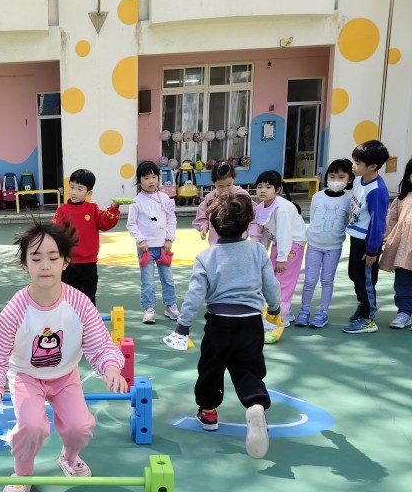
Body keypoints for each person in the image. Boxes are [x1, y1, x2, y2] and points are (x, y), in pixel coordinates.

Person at [0, 222, 127, 492]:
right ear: (25, 265)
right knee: (32, 425)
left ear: (65, 261)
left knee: (79, 427)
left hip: (65, 374)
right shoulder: (17, 308)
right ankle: (22, 473)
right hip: (26, 375)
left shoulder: (79, 303)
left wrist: (111, 366)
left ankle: (69, 457)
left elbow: (100, 343)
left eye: (53, 257)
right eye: (36, 258)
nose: (45, 265)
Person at [163, 192, 281, 459]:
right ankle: (255, 404)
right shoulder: (257, 251)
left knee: (211, 368)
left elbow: (194, 295)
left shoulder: (206, 257)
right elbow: (271, 285)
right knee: (248, 369)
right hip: (251, 322)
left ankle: (208, 412)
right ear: (248, 223)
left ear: (214, 225)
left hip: (219, 323)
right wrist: (274, 309)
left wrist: (183, 326)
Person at [293, 159, 353, 328]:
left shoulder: (349, 200)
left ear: (349, 179)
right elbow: (313, 218)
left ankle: (322, 313)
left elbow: (346, 221)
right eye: (332, 176)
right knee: (309, 280)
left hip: (334, 247)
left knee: (327, 280)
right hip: (314, 244)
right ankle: (304, 311)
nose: (336, 180)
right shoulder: (317, 197)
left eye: (341, 177)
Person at [51, 168, 121, 306]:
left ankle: (89, 319)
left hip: (89, 264)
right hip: (67, 263)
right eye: (71, 187)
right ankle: (69, 320)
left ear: (89, 192)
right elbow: (54, 232)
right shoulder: (62, 210)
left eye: (79, 189)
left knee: (88, 298)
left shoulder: (92, 209)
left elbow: (105, 223)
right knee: (68, 299)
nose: (74, 192)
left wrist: (114, 207)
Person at [343, 139, 390, 334]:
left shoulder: (377, 191)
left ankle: (368, 318)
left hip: (368, 243)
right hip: (357, 237)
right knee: (354, 275)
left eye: (358, 163)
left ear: (373, 166)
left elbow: (378, 224)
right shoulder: (359, 180)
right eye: (353, 161)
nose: (353, 166)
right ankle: (364, 306)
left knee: (365, 280)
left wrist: (372, 251)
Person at [127, 160, 178, 324]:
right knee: (147, 281)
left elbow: (171, 219)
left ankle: (171, 306)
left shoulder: (165, 198)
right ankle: (149, 309)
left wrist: (169, 238)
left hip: (163, 247)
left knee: (168, 279)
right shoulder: (136, 202)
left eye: (154, 177)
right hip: (146, 249)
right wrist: (141, 240)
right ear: (139, 180)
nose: (151, 181)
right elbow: (131, 224)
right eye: (146, 178)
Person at [255, 170, 307, 329]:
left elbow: (285, 234)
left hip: (292, 244)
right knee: (271, 278)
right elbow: (265, 233)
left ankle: (280, 316)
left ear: (277, 190)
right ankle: (285, 312)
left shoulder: (281, 208)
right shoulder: (261, 207)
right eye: (259, 186)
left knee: (283, 281)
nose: (263, 190)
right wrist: (260, 255)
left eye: (268, 187)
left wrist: (282, 259)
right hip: (279, 243)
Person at [379, 156, 412, 330]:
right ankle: (404, 312)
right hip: (404, 248)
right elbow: (391, 222)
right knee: (403, 281)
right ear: (408, 177)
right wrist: (386, 240)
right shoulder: (401, 199)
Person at [192, 160, 253, 244]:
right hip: (217, 242)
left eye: (229, 185)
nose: (225, 189)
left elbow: (252, 216)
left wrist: (254, 234)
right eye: (221, 186)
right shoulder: (210, 198)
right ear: (214, 183)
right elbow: (202, 216)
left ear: (233, 179)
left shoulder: (242, 195)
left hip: (239, 241)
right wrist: (204, 227)